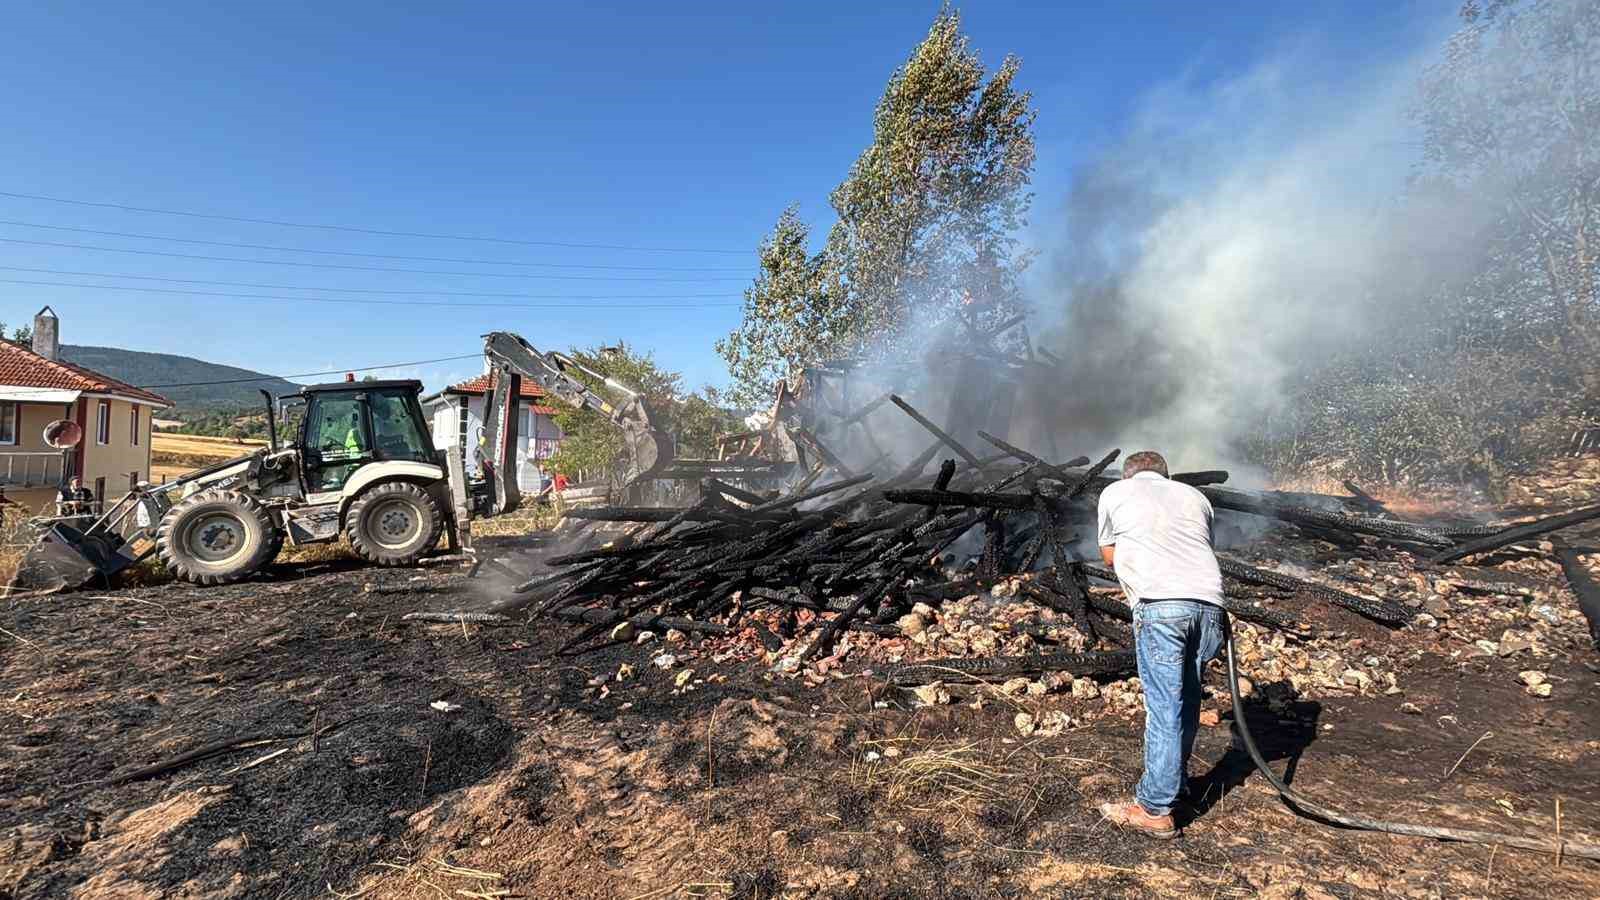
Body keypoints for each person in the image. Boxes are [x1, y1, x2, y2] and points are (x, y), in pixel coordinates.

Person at [1095, 450, 1226, 839]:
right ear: (1166, 475)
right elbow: (1198, 548)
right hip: (1211, 608)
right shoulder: (1196, 497)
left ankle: (1154, 809)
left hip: (1163, 609)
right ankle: (1176, 784)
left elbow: (1108, 556)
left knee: (1164, 706)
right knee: (1186, 700)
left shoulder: (1115, 492)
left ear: (1128, 474)